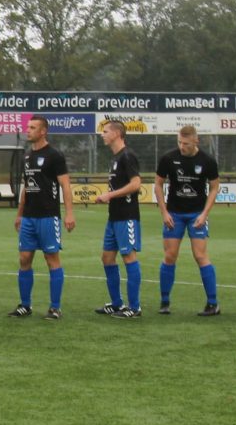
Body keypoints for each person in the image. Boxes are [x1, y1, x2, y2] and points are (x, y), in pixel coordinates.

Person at [154, 124, 221, 316]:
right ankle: (165, 301)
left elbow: (214, 187)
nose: (182, 147)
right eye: (180, 142)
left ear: (196, 141)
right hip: (174, 214)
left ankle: (213, 304)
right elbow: (158, 184)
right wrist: (164, 212)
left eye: (186, 143)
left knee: (200, 256)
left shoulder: (207, 161)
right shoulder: (168, 158)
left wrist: (204, 214)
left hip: (196, 215)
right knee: (170, 255)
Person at [12, 116, 73, 319]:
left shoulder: (54, 155)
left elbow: (65, 185)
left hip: (48, 216)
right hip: (29, 217)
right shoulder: (27, 156)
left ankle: (55, 307)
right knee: (24, 258)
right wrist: (19, 214)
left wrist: (69, 213)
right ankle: (25, 305)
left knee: (51, 258)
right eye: (28, 127)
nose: (28, 130)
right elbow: (26, 187)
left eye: (32, 127)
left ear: (43, 131)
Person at [93, 119, 144, 318]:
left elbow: (136, 184)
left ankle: (135, 307)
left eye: (105, 131)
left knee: (129, 257)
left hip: (127, 216)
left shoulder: (127, 156)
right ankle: (116, 303)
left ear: (116, 133)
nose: (102, 135)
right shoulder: (115, 158)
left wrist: (110, 195)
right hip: (114, 217)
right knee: (107, 257)